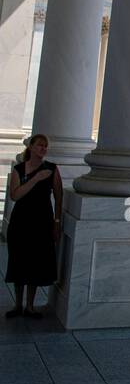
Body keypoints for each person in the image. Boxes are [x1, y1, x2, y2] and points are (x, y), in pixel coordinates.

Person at [4, 133, 62, 319]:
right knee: (19, 261)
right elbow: (15, 195)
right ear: (31, 147)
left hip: (42, 220)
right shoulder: (19, 169)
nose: (43, 149)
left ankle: (30, 305)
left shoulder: (52, 169)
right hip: (21, 220)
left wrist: (57, 222)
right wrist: (36, 179)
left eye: (45, 146)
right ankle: (17, 304)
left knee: (36, 263)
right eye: (40, 145)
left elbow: (59, 197)